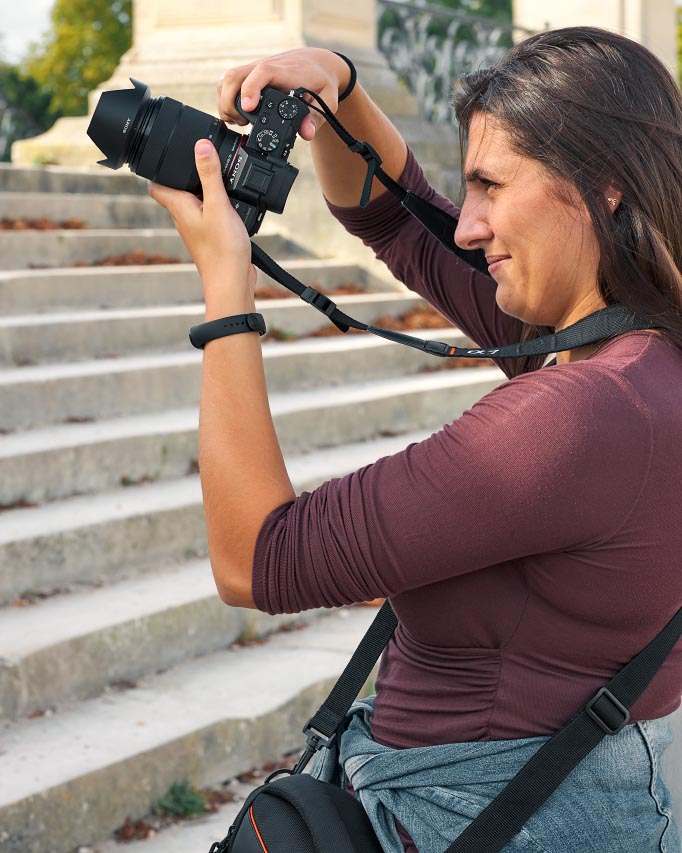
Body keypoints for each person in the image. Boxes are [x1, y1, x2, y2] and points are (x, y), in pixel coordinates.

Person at [148, 26, 682, 853]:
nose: (468, 226)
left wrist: (227, 290)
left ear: (603, 185)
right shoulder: (629, 354)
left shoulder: (582, 413)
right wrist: (337, 87)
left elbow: (254, 555)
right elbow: (397, 221)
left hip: (468, 822)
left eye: (490, 187)